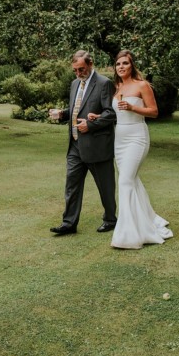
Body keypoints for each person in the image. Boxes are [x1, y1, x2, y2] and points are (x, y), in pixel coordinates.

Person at [95, 49, 173, 249]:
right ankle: (148, 220)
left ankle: (127, 233)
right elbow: (114, 114)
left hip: (137, 137)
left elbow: (154, 112)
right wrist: (99, 117)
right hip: (119, 139)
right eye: (118, 64)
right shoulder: (116, 87)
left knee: (125, 181)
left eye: (125, 63)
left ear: (132, 66)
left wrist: (132, 108)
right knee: (132, 180)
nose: (121, 67)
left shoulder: (142, 85)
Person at [48, 50, 117, 236]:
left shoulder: (104, 83)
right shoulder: (74, 84)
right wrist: (62, 113)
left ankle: (111, 219)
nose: (78, 74)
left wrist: (92, 124)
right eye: (75, 71)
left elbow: (111, 114)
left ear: (90, 64)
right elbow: (76, 109)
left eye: (81, 69)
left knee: (105, 186)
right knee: (72, 185)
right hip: (75, 145)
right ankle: (68, 224)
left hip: (97, 145)